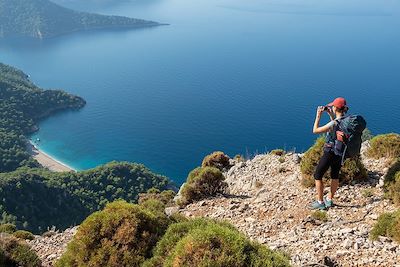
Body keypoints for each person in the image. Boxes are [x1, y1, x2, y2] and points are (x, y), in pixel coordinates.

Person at [310, 97, 349, 210]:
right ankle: (330, 200)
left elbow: (315, 130)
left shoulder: (334, 123)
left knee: (318, 175)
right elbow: (336, 126)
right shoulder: (346, 120)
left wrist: (318, 115)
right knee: (335, 175)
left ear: (336, 107)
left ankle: (320, 202)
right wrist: (330, 115)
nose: (331, 107)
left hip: (330, 152)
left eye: (333, 106)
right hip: (340, 152)